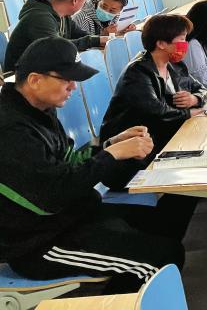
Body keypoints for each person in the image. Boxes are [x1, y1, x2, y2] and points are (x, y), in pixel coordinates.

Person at [0, 37, 184, 292]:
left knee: (168, 221)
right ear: (34, 80)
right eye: (66, 79)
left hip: (74, 217)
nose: (73, 87)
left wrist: (110, 145)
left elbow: (68, 162)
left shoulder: (40, 108)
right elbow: (54, 193)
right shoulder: (10, 128)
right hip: (40, 242)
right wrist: (112, 155)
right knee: (161, 260)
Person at [100, 14, 207, 164]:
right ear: (161, 44)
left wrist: (195, 98)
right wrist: (188, 113)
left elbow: (201, 88)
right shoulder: (137, 72)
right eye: (182, 39)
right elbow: (156, 112)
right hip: (134, 151)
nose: (185, 44)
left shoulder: (175, 65)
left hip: (161, 136)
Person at [4, 0, 109, 73]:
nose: (84, 4)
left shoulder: (63, 16)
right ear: (75, 0)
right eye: (84, 1)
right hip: (23, 77)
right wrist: (94, 41)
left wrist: (102, 39)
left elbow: (81, 34)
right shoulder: (39, 18)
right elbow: (57, 48)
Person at [72, 0, 137, 37]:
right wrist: (102, 35)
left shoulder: (117, 18)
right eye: (103, 6)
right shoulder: (82, 19)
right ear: (98, 1)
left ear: (120, 11)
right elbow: (78, 44)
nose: (106, 12)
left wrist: (125, 31)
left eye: (112, 10)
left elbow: (115, 37)